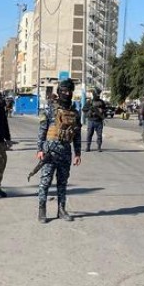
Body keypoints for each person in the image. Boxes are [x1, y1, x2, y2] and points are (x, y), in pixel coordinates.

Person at [36, 78, 82, 223]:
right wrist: (39, 149)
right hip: (49, 151)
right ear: (59, 91)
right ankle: (42, 211)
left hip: (65, 152)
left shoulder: (75, 113)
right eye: (63, 91)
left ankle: (61, 210)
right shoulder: (49, 109)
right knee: (45, 182)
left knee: (62, 183)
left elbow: (77, 135)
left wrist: (78, 153)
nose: (66, 94)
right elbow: (42, 131)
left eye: (69, 91)